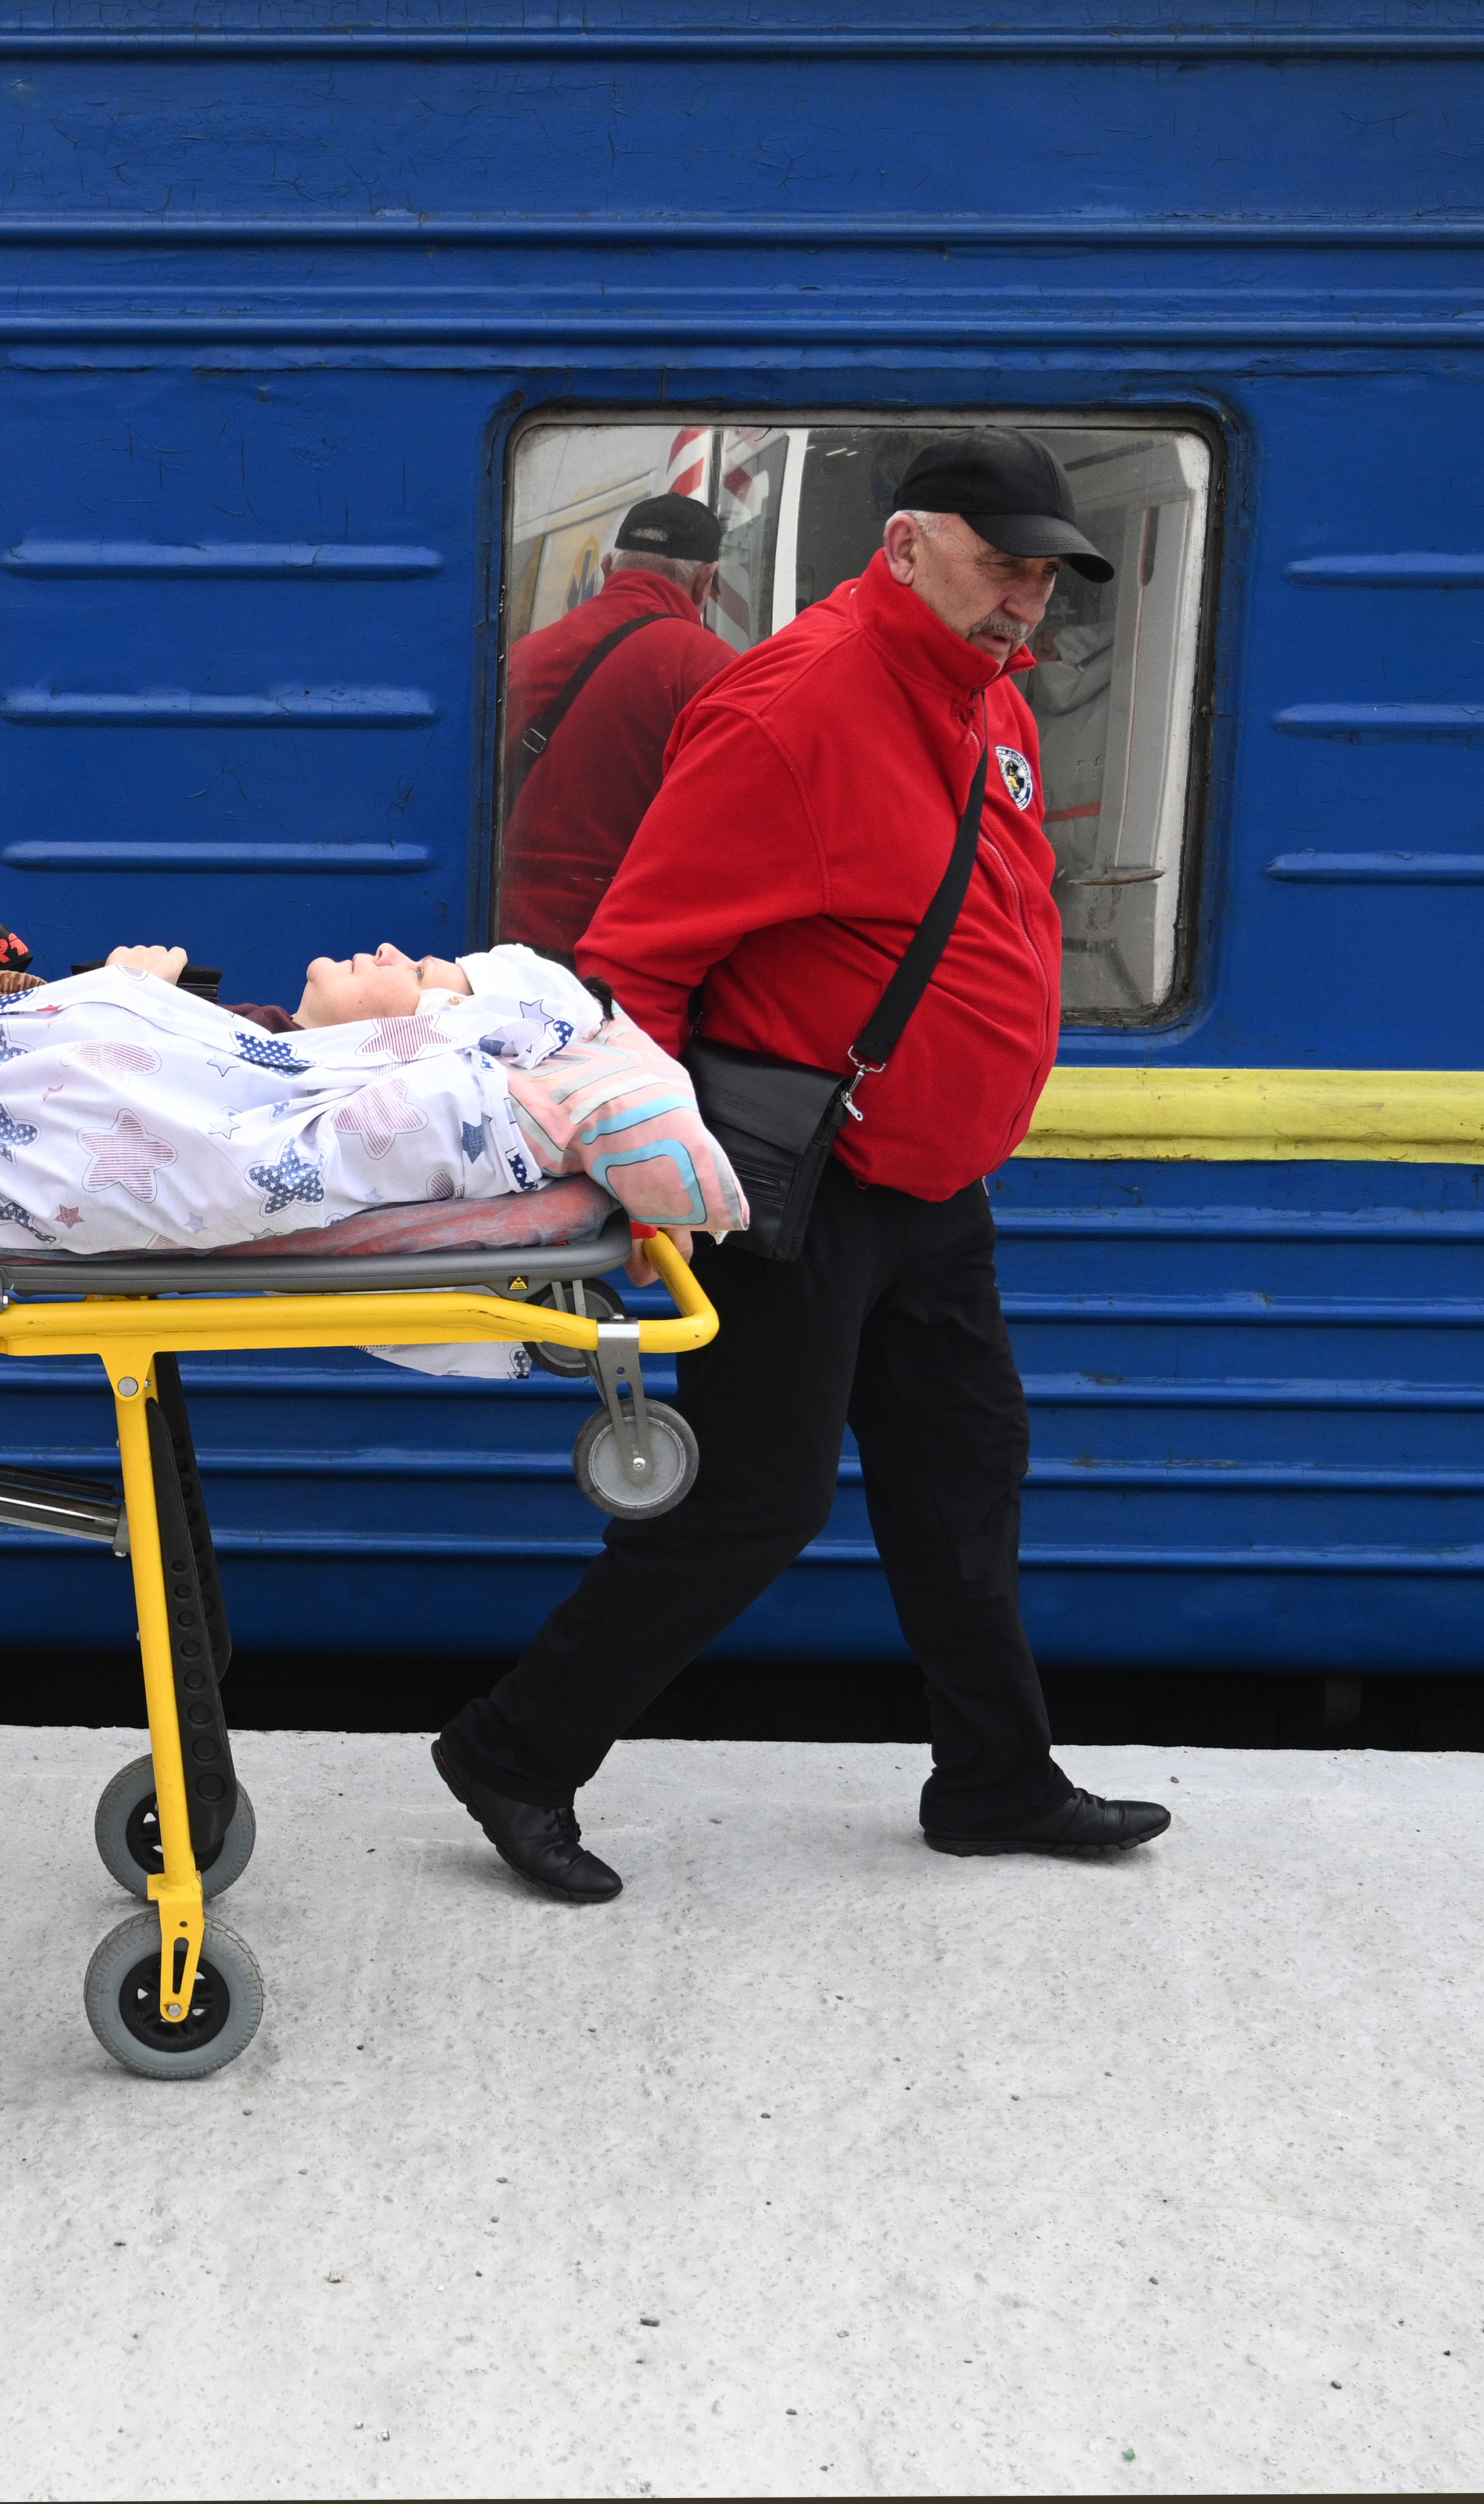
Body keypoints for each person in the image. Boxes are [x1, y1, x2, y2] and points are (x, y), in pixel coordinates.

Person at [431, 429, 1171, 1902]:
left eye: (1043, 573)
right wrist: (652, 1194)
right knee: (761, 1501)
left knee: (964, 1471)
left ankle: (992, 1780)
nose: (1025, 599)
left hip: (933, 1188)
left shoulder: (989, 709)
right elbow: (639, 957)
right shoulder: (795, 707)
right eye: (999, 563)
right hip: (805, 1193)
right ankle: (514, 1751)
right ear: (904, 545)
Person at [494, 493, 740, 961]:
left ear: (609, 567)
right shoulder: (713, 668)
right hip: (615, 951)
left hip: (502, 939)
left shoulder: (524, 654)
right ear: (706, 579)